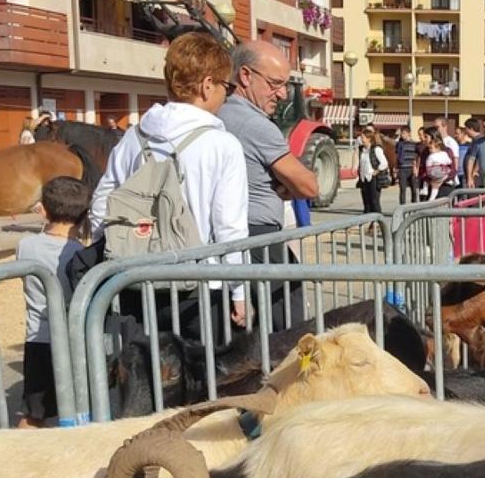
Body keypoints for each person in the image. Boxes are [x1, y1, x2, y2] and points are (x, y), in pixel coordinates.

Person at [90, 32, 249, 338]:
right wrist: (239, 293)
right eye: (226, 87)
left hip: (136, 282)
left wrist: (113, 252)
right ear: (206, 85)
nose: (226, 96)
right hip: (201, 286)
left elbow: (102, 204)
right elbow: (230, 227)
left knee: (145, 376)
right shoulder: (222, 145)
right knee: (205, 379)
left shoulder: (133, 138)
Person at [219, 40, 316, 330]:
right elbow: (309, 186)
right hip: (259, 238)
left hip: (224, 238)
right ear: (245, 76)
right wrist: (284, 186)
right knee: (286, 328)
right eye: (275, 84)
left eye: (285, 85)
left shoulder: (217, 115)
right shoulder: (257, 125)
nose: (283, 94)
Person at [17, 176, 87, 427]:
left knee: (34, 413)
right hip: (72, 341)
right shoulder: (80, 254)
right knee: (79, 409)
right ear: (84, 214)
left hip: (38, 338)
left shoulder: (25, 246)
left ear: (43, 209)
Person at [357, 126, 390, 215]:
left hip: (373, 178)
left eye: (363, 138)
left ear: (369, 139)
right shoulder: (362, 150)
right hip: (364, 178)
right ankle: (369, 224)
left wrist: (377, 170)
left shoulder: (376, 149)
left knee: (374, 202)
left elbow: (384, 163)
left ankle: (379, 223)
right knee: (367, 203)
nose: (361, 139)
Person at [421, 129, 455, 201]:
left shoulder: (447, 151)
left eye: (426, 137)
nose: (424, 139)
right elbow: (423, 169)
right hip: (430, 185)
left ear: (433, 138)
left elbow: (453, 170)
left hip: (445, 186)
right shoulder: (425, 152)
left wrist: (441, 180)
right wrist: (430, 180)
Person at [393, 126, 419, 204]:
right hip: (402, 169)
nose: (402, 135)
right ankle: (402, 206)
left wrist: (416, 168)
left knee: (414, 189)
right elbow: (396, 157)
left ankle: (414, 205)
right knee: (402, 189)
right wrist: (395, 169)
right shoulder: (399, 144)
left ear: (409, 133)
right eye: (401, 134)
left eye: (404, 133)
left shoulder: (414, 144)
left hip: (411, 169)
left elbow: (417, 157)